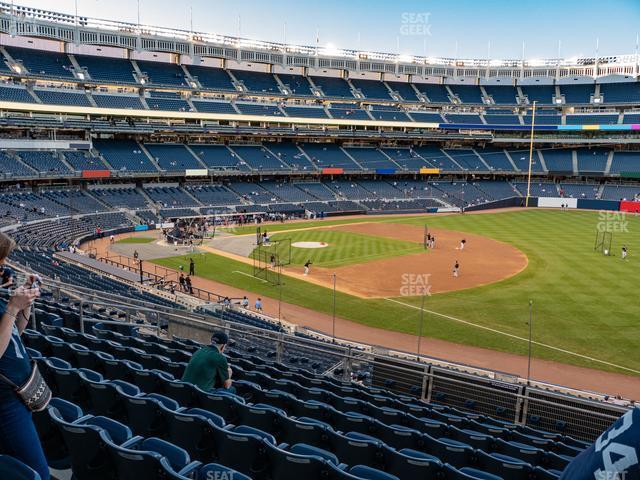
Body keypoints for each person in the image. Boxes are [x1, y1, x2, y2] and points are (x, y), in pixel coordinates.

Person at [0, 232, 50, 480]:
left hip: (18, 395)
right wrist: (12, 307)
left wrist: (25, 304)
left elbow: (14, 334)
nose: (4, 267)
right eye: (1, 261)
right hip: (5, 403)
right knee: (37, 473)